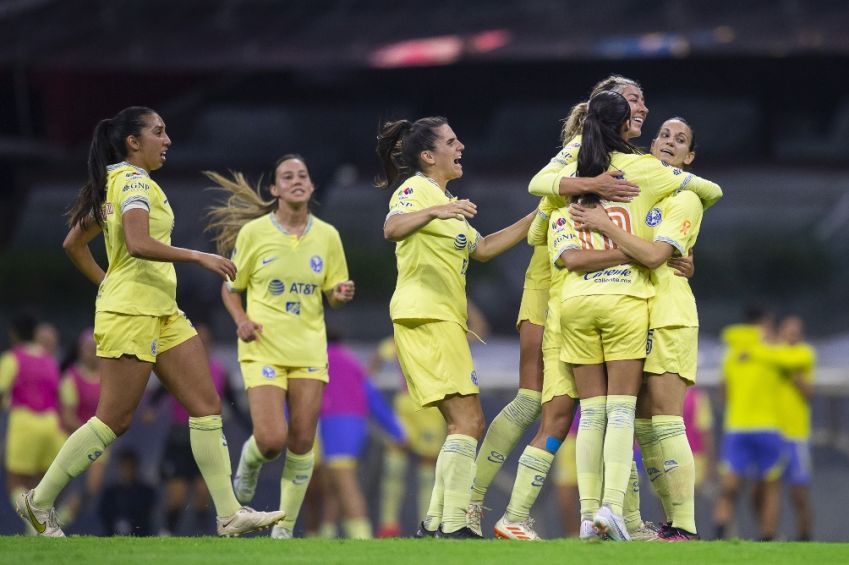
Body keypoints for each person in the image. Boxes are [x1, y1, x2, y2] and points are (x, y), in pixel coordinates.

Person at [17, 106, 285, 538]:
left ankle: (229, 514)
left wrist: (106, 279)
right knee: (114, 420)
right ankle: (39, 501)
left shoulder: (117, 184)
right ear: (133, 143)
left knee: (205, 404)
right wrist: (197, 256)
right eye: (159, 132)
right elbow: (139, 243)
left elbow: (74, 242)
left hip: (162, 310)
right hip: (131, 313)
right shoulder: (135, 182)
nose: (168, 140)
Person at [551, 92, 721, 541]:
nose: (667, 140)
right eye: (663, 133)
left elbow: (655, 253)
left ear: (689, 156)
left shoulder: (683, 198)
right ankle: (634, 521)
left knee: (663, 418)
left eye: (679, 139)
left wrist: (666, 254)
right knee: (641, 425)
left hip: (668, 313)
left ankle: (683, 523)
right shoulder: (640, 185)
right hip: (634, 308)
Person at [492, 75, 648, 541]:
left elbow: (542, 228)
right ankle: (513, 513)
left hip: (587, 306)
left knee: (598, 416)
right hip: (571, 308)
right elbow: (543, 206)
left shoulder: (630, 167)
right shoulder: (578, 173)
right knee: (582, 414)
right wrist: (640, 246)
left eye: (642, 98)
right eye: (629, 99)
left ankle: (609, 519)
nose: (639, 105)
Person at [376, 115, 535, 538]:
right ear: (429, 156)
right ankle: (454, 525)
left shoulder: (447, 203)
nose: (460, 145)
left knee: (464, 423)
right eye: (451, 140)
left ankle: (436, 523)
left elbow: (481, 249)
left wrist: (535, 218)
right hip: (425, 315)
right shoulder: (416, 190)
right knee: (468, 421)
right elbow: (392, 228)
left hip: (441, 318)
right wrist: (437, 209)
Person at [206, 154, 354, 539]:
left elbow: (334, 294)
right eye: (287, 176)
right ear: (274, 189)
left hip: (308, 349)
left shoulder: (328, 236)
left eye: (303, 175)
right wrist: (241, 321)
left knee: (303, 440)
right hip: (264, 347)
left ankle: (284, 528)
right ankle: (250, 463)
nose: (296, 181)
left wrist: (340, 294)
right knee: (272, 440)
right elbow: (230, 290)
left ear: (312, 186)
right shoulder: (255, 234)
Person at [375, 301, 487, 537]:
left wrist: (463, 300)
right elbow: (369, 372)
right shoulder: (399, 339)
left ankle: (428, 520)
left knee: (427, 466)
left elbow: (480, 330)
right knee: (395, 465)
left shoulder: (444, 335)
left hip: (431, 407)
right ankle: (389, 525)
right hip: (407, 403)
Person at [145, 323, 251, 535]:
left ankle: (205, 535)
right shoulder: (178, 367)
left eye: (205, 342)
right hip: (181, 437)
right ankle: (167, 531)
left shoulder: (219, 371)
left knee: (203, 493)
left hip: (208, 436)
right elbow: (159, 392)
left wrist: (253, 430)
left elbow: (235, 406)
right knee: (177, 495)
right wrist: (151, 408)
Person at [314, 329, 406, 539]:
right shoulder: (351, 361)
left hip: (337, 422)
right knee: (332, 480)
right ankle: (327, 533)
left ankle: (361, 535)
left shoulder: (319, 359)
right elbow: (372, 396)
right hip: (352, 424)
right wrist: (397, 431)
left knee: (343, 479)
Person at [713, 308, 785, 540]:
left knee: (729, 486)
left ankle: (720, 529)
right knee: (770, 486)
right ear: (765, 323)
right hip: (768, 427)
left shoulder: (732, 352)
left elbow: (723, 394)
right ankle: (768, 536)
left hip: (738, 427)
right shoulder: (774, 351)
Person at [1, 312, 66, 533]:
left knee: (15, 483)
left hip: (25, 422)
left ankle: (38, 526)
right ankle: (42, 528)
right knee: (40, 486)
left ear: (14, 334)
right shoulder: (49, 359)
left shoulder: (13, 358)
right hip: (50, 425)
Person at [56, 328, 105, 526]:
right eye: (87, 348)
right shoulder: (71, 377)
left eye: (94, 348)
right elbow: (67, 417)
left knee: (92, 487)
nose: (91, 352)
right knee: (62, 486)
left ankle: (59, 521)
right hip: (71, 438)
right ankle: (46, 521)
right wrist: (90, 432)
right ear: (80, 351)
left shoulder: (108, 378)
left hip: (101, 441)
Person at [776, 315, 816, 540]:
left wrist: (793, 374)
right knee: (764, 491)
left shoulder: (804, 355)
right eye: (788, 331)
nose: (792, 335)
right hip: (772, 433)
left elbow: (809, 394)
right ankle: (769, 535)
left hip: (796, 436)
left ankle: (805, 540)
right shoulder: (771, 358)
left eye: (796, 331)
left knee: (799, 494)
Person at [97, 449, 156, 536]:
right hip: (112, 538)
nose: (127, 470)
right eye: (125, 466)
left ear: (136, 467)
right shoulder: (110, 494)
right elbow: (104, 518)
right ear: (119, 467)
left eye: (130, 466)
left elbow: (149, 518)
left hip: (139, 538)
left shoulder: (146, 493)